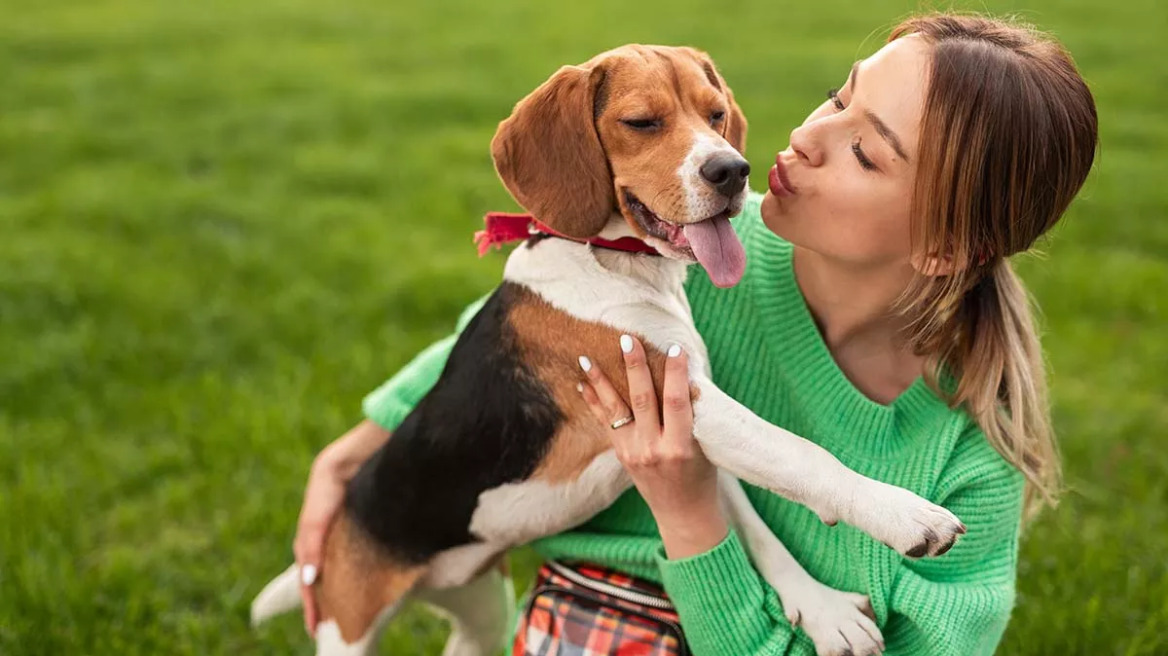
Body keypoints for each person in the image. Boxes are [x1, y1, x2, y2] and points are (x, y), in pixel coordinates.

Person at [290, 13, 1097, 655]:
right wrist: (356, 446)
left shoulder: (969, 469)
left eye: (863, 150)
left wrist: (687, 512)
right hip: (530, 575)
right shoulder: (673, 247)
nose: (807, 135)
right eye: (837, 94)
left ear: (945, 248)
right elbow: (513, 334)